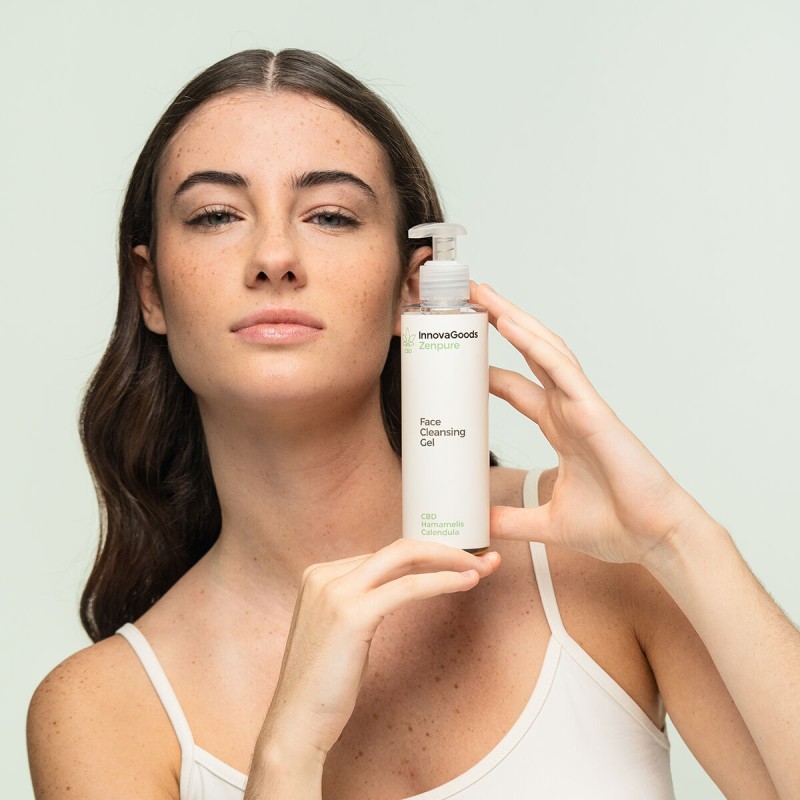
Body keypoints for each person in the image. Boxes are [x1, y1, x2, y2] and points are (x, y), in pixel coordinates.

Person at [26, 48, 799, 800]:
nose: (274, 256)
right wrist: (289, 751)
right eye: (217, 215)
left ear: (412, 287)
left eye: (330, 215)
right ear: (151, 290)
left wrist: (676, 539)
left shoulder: (594, 558)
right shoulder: (101, 714)